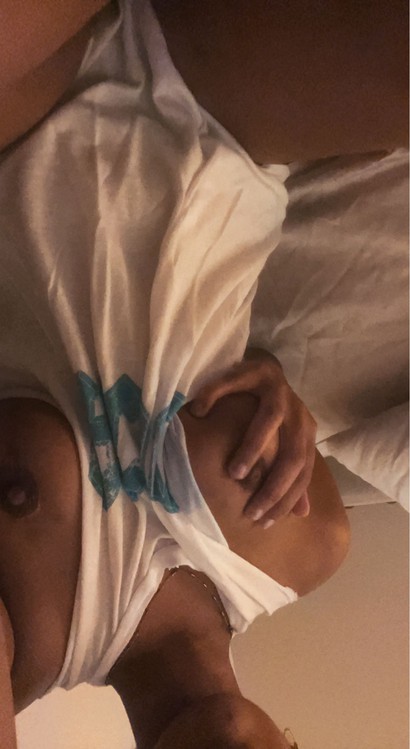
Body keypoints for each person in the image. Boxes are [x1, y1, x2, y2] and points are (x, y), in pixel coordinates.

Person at [0, 1, 405, 746]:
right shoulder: (313, 544)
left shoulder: (31, 646)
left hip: (22, 117)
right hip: (219, 117)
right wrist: (274, 383)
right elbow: (247, 361)